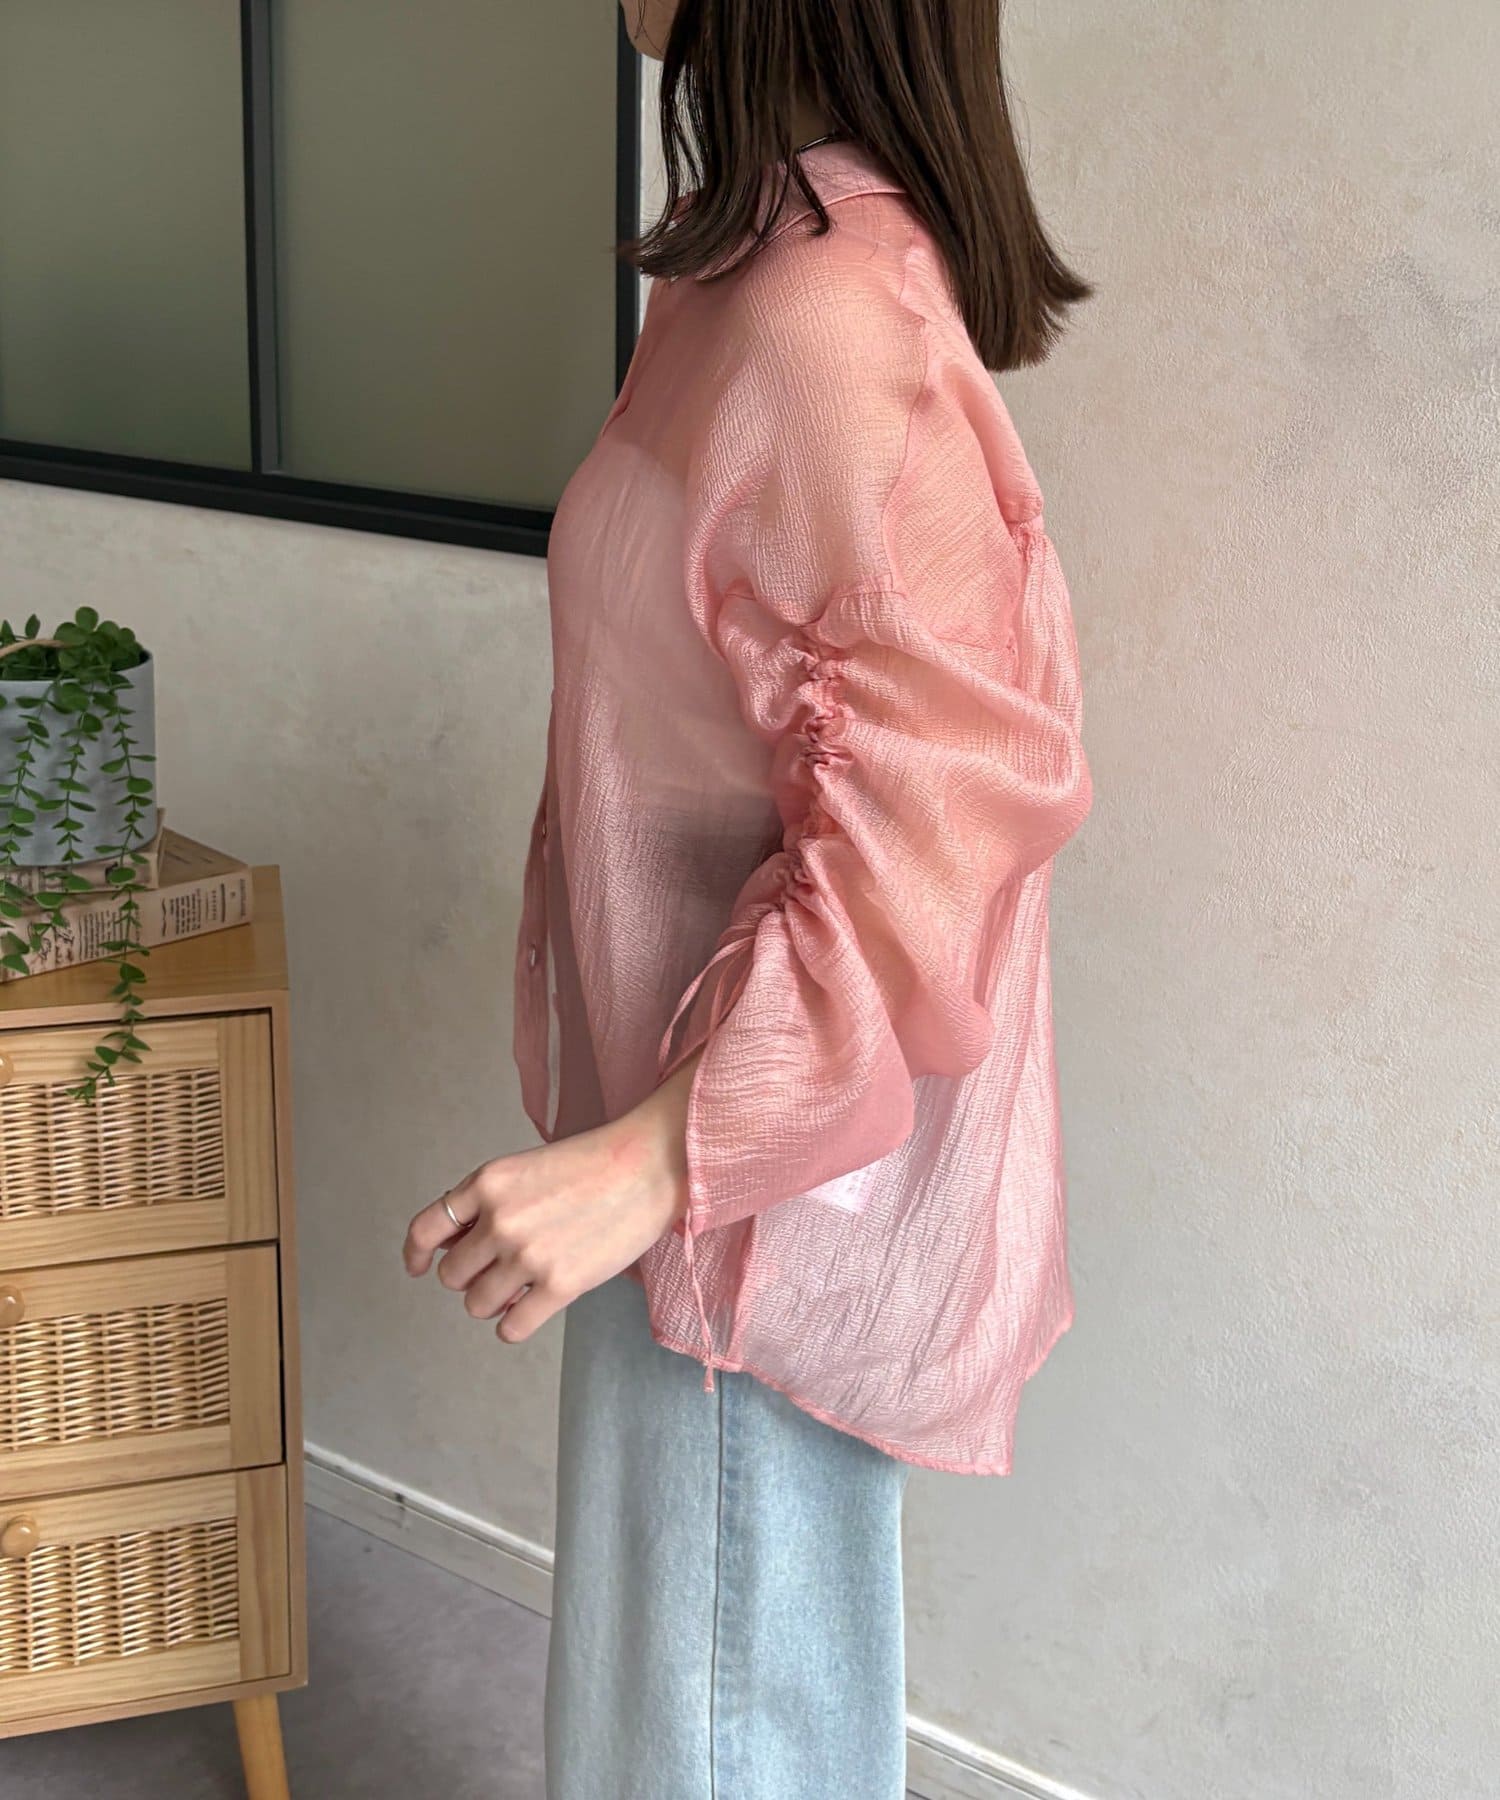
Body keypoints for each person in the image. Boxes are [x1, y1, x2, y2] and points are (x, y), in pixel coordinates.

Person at [404, 1, 1095, 1793]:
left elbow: (933, 823)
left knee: (711, 1730)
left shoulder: (823, 324)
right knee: (678, 1707)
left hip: (746, 1196)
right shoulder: (751, 276)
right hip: (689, 1156)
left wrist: (660, 1160)